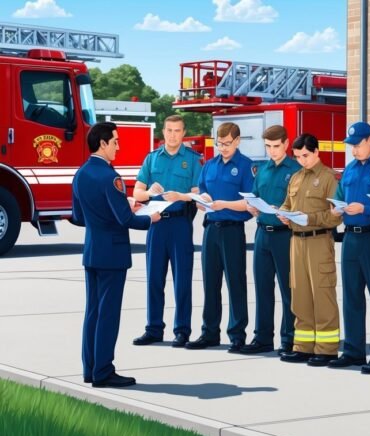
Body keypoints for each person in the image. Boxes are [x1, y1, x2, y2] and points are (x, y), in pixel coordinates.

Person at [71, 122, 160, 388]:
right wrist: (150, 218)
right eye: (116, 142)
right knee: (108, 315)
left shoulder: (81, 174)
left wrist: (121, 206)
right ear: (103, 143)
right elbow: (125, 220)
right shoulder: (110, 177)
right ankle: (104, 371)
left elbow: (78, 217)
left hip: (92, 251)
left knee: (93, 314)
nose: (118, 147)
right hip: (112, 255)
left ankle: (90, 369)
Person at [132, 115, 202, 349]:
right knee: (154, 279)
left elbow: (198, 194)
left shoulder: (193, 160)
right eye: (169, 130)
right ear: (163, 132)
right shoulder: (152, 159)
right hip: (157, 224)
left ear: (184, 133)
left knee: (182, 280)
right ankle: (153, 329)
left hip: (180, 225)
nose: (173, 135)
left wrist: (182, 196)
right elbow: (137, 193)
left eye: (178, 130)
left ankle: (182, 330)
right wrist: (150, 192)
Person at [327, 122, 370, 374]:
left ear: (369, 141)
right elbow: (340, 194)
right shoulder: (350, 169)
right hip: (350, 239)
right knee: (352, 296)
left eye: (357, 145)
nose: (353, 150)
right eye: (350, 146)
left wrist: (364, 209)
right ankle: (353, 350)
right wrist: (337, 209)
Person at [186, 122, 254, 353]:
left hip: (232, 230)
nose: (222, 148)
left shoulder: (246, 167)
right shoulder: (210, 165)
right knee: (210, 283)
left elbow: (249, 202)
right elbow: (203, 191)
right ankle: (209, 332)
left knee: (235, 283)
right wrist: (203, 200)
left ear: (237, 141)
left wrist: (223, 204)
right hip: (211, 229)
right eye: (219, 143)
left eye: (227, 143)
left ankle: (237, 334)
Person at [278, 133, 343, 367]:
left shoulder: (329, 178)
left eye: (305, 155)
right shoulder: (295, 178)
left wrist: (309, 218)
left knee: (322, 294)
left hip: (318, 241)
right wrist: (283, 214)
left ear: (316, 152)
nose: (301, 160)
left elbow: (336, 216)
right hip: (296, 241)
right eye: (297, 157)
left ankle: (326, 349)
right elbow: (287, 204)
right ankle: (302, 346)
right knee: (300, 294)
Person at [240, 125, 301, 356]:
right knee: (263, 288)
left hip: (284, 235)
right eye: (268, 146)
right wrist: (251, 206)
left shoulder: (295, 170)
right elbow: (255, 195)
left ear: (286, 144)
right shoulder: (262, 169)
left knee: (288, 290)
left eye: (276, 146)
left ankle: (289, 339)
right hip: (262, 234)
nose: (272, 151)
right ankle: (263, 338)